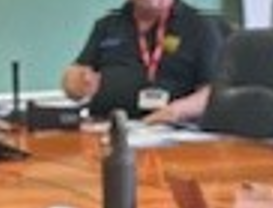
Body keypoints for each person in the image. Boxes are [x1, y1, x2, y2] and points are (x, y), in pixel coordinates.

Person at [64, 0, 223, 123]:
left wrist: (177, 111)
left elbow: (211, 92)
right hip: (108, 127)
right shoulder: (107, 25)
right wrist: (73, 83)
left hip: (170, 131)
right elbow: (76, 78)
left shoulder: (199, 26)